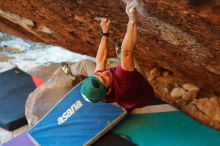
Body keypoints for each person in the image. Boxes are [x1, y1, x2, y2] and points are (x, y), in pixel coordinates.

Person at [80, 1, 154, 111]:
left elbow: (100, 61)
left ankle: (69, 70)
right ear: (108, 90)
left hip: (128, 101)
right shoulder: (123, 81)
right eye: (104, 79)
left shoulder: (100, 92)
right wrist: (132, 19)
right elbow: (127, 52)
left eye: (97, 75)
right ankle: (119, 52)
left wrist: (104, 33)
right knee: (125, 56)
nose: (104, 73)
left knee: (86, 64)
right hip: (143, 91)